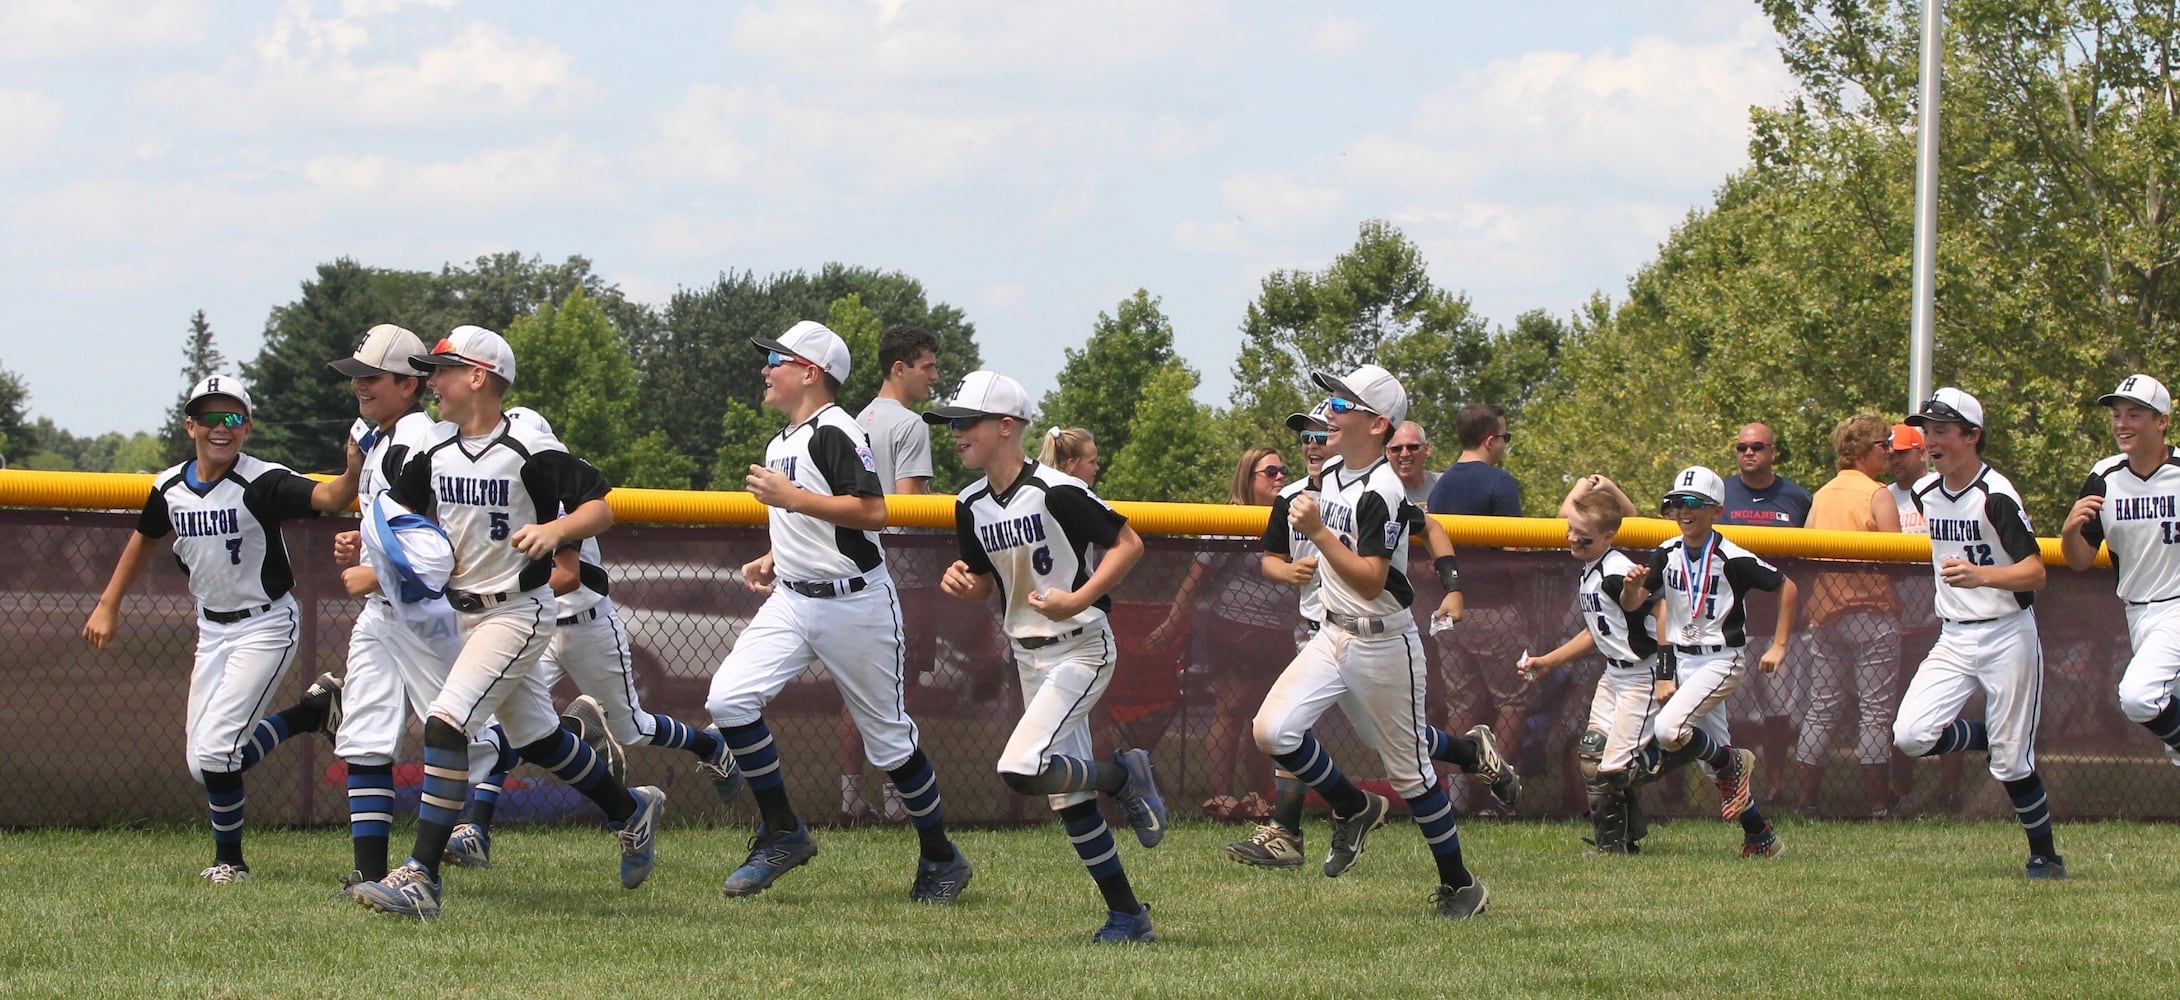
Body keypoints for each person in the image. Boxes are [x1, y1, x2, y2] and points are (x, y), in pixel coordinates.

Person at [350, 325, 665, 917]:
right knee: (538, 739)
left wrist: (556, 530)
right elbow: (401, 516)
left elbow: (601, 505)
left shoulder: (525, 446)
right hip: (462, 613)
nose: (432, 382)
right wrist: (373, 547)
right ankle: (630, 809)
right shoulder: (435, 447)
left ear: (478, 377)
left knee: (445, 724)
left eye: (442, 370)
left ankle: (420, 877)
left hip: (518, 612)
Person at [706, 320, 968, 903]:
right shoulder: (784, 440)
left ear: (810, 371)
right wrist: (773, 556)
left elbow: (875, 513)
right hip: (795, 599)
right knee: (728, 699)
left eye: (776, 359)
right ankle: (783, 831)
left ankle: (941, 857)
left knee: (889, 742)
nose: (765, 368)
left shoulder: (835, 430)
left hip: (856, 605)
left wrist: (793, 499)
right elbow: (811, 517)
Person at [80, 375, 360, 884]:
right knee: (203, 763)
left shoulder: (262, 481)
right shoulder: (168, 486)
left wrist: (354, 463)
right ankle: (311, 713)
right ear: (190, 426)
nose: (220, 427)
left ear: (247, 427)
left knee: (217, 754)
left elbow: (334, 496)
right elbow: (144, 538)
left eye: (231, 417)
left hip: (266, 625)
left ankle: (230, 861)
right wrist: (107, 604)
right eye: (208, 417)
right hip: (212, 630)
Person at [442, 406, 742, 869]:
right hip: (529, 628)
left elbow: (563, 575)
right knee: (505, 725)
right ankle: (476, 829)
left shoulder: (558, 497)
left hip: (582, 626)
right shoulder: (500, 491)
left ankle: (709, 746)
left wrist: (500, 588)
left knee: (631, 727)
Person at [931, 369, 1167, 942]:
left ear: (1006, 427)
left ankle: (1123, 776)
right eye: (952, 423)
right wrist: (970, 585)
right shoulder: (968, 504)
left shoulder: (1057, 489)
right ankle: (1128, 916)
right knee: (1066, 795)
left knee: (1019, 767)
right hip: (1028, 655)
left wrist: (1079, 599)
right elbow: (991, 585)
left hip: (1082, 647)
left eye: (967, 423)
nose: (955, 432)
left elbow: (1128, 543)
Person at [1251, 364, 1491, 920]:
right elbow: (1418, 527)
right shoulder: (1334, 473)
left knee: (1411, 774)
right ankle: (1352, 805)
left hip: (1385, 646)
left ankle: (1461, 885)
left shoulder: (1382, 487)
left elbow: (1371, 579)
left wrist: (1316, 535)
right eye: (1333, 399)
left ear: (1378, 423)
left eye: (1343, 403)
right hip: (1333, 632)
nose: (1330, 410)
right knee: (1273, 730)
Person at [324, 324, 506, 891]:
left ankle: (555, 741)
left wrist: (374, 570)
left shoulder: (421, 442)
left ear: (409, 383)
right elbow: (397, 525)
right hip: (384, 616)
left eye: (371, 377)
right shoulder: (376, 438)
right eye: (356, 377)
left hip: (429, 619)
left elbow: (443, 544)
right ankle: (368, 873)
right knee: (363, 733)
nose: (360, 387)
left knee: (469, 739)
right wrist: (364, 541)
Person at [1892, 387, 2063, 879]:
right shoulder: (1925, 493)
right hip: (1955, 635)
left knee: (2012, 763)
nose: (1931, 439)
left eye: (1943, 430)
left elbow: (2037, 574)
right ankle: (1987, 736)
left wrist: (1981, 575)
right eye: (1927, 431)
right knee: (1911, 734)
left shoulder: (1997, 496)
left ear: (1972, 436)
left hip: (2008, 631)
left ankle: (2045, 856)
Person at [1620, 465, 1794, 859]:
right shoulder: (1665, 552)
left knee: (1669, 730)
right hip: (1683, 658)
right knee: (1709, 762)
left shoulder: (1732, 556)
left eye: (1694, 503)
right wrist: (1631, 590)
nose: (1683, 510)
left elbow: (1787, 586)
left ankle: (1733, 761)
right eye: (1676, 503)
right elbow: (1637, 605)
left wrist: (1780, 645)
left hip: (1721, 660)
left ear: (1716, 510)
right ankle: (1761, 836)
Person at [1148, 447, 1297, 820]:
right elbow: (1194, 579)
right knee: (1231, 710)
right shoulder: (1229, 519)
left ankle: (1257, 795)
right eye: (1270, 472)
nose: (1280, 477)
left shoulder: (1293, 518)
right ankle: (1222, 797)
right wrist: (1172, 624)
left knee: (1266, 720)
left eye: (1283, 471)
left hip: (1279, 634)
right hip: (1235, 630)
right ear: (1248, 479)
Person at [1517, 475, 1662, 854]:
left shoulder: (1615, 571)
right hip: (1614, 675)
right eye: (1570, 533)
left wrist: (1665, 673)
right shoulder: (1592, 563)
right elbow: (1597, 632)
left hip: (1640, 676)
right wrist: (1548, 661)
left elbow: (1656, 611)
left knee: (1615, 768)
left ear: (1607, 537)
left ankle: (1689, 747)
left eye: (1584, 537)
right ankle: (1613, 844)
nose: (1572, 540)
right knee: (1593, 753)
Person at [837, 325, 945, 824]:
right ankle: (899, 801)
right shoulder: (909, 424)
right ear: (898, 368)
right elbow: (906, 507)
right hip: (904, 575)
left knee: (859, 689)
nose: (935, 376)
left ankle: (850, 797)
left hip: (860, 570)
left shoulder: (854, 421)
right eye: (927, 366)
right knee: (899, 692)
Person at [2063, 375, 2180, 773]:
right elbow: (2079, 560)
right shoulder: (2105, 477)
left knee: (2138, 696)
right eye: (2116, 414)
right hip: (2138, 613)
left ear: (2162, 421)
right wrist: (2069, 531)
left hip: (2177, 608)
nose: (2121, 423)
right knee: (2173, 742)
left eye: (2134, 414)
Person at [1792, 415, 1904, 818]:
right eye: (1882, 444)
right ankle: (1877, 805)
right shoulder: (1878, 494)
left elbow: (1804, 551)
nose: (1889, 450)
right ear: (1858, 451)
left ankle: (1805, 801)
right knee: (1876, 710)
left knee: (1822, 707)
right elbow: (1898, 555)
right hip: (1871, 611)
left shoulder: (1821, 495)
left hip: (1825, 612)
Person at [1720, 422, 1811, 799]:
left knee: (1778, 716)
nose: (1748, 453)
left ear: (1773, 452)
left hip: (1780, 626)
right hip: (1730, 625)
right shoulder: (1720, 494)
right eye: (1741, 447)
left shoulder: (1798, 498)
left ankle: (1775, 785)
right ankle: (1739, 783)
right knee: (1736, 716)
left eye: (1757, 446)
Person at [1426, 403, 1518, 516]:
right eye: (1505, 437)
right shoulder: (1500, 483)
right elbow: (1514, 533)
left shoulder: (1439, 487)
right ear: (1490, 442)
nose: (1505, 444)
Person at [1388, 421, 1438, 506]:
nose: (1404, 454)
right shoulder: (1381, 493)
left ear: (1426, 449)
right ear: (1388, 453)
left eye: (1412, 447)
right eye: (1396, 448)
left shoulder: (1445, 486)